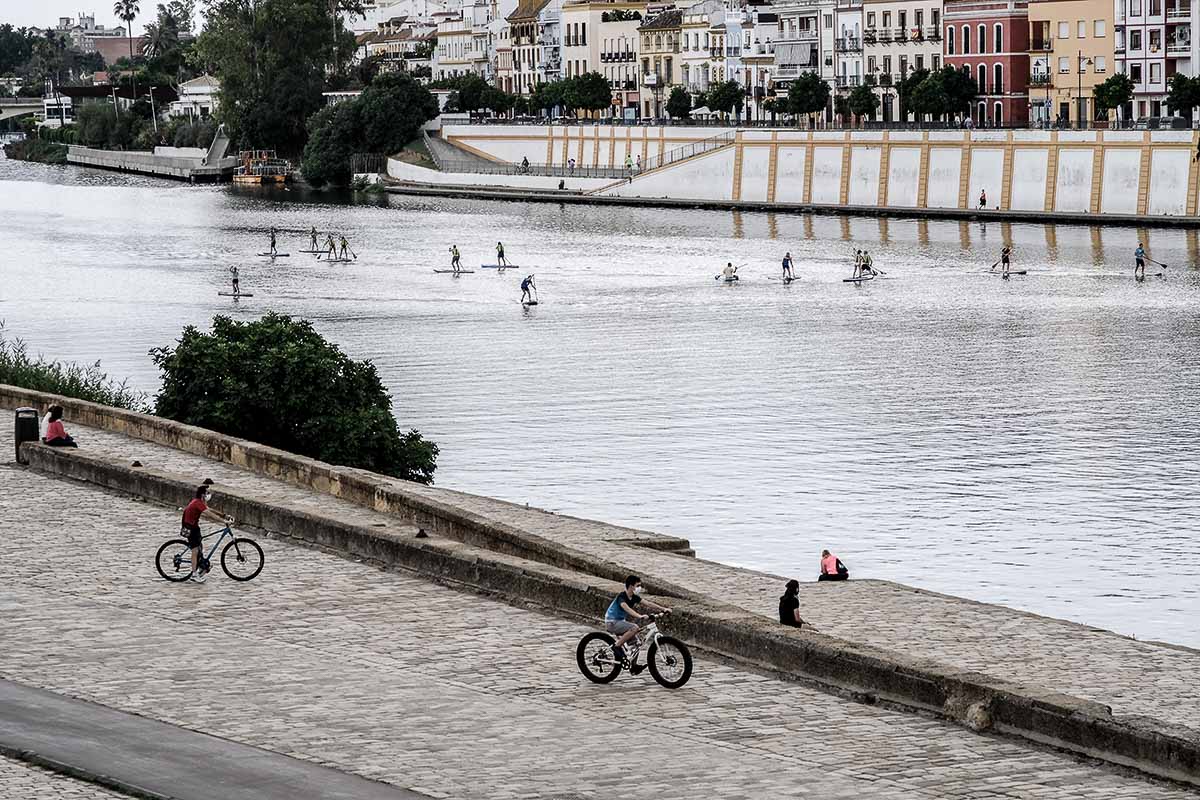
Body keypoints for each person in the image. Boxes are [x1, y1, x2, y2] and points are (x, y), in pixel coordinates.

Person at [605, 574, 672, 666]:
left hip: (620, 622)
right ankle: (617, 647)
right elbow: (626, 608)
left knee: (636, 644)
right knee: (634, 627)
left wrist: (663, 609)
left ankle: (634, 666)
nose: (639, 588)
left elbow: (648, 603)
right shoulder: (622, 597)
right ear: (631, 586)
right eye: (638, 586)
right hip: (612, 622)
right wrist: (639, 616)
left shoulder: (634, 597)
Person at [180, 482, 231, 584]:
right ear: (203, 494)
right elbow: (209, 514)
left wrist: (223, 515)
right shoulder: (197, 503)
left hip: (194, 526)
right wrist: (223, 521)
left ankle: (201, 567)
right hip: (190, 528)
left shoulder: (199, 502)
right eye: (207, 493)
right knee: (195, 550)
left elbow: (209, 509)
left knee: (199, 547)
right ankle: (194, 574)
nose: (208, 495)